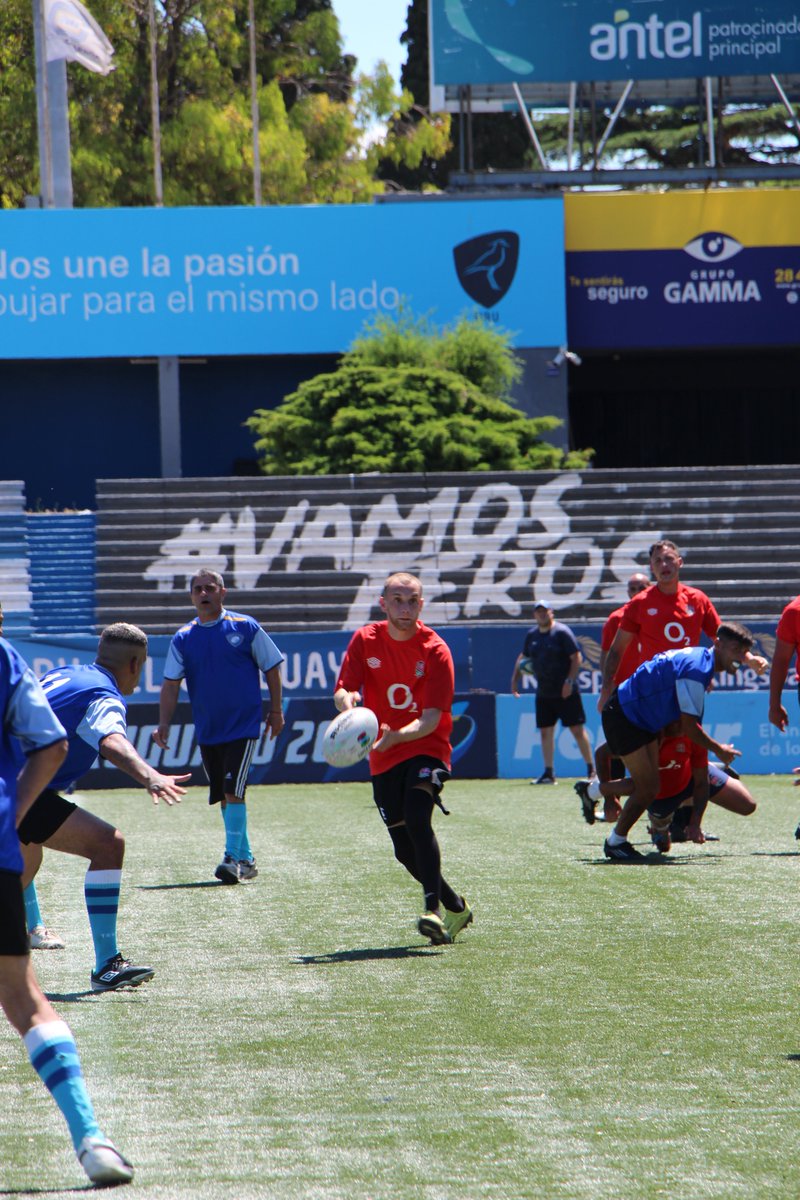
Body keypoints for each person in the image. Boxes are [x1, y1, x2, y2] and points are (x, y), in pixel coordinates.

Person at [0, 632, 134, 1186]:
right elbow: (52, 745)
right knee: (26, 999)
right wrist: (14, 813)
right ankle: (91, 1140)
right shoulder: (5, 657)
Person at [18, 623, 189, 993]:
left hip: (15, 784)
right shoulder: (104, 694)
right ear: (133, 663)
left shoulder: (64, 675)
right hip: (16, 788)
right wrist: (150, 776)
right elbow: (111, 740)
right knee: (108, 844)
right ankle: (108, 964)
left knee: (26, 865)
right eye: (142, 665)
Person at [333, 571, 472, 946]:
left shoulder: (436, 650)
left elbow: (430, 720)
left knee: (416, 814)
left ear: (421, 605)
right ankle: (455, 906)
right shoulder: (365, 639)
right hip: (381, 753)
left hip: (427, 745)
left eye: (412, 600)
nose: (405, 607)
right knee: (403, 849)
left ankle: (432, 910)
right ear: (384, 604)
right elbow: (344, 689)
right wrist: (348, 706)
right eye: (397, 599)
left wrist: (397, 735)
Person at [153, 567, 285, 884]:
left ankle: (232, 857)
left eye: (209, 588)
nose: (203, 593)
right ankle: (247, 858)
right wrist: (164, 723)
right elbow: (171, 684)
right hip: (209, 729)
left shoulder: (246, 627)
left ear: (222, 592)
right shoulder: (184, 638)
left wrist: (276, 710)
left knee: (232, 789)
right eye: (197, 589)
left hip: (242, 726)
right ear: (191, 596)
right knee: (225, 795)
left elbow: (272, 666)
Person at [599, 621, 761, 861]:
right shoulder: (697, 670)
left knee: (650, 784)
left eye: (743, 651)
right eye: (736, 650)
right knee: (649, 787)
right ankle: (615, 841)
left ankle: (599, 796)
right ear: (717, 644)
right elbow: (689, 727)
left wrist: (747, 658)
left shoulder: (701, 660)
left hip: (637, 715)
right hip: (626, 716)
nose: (740, 657)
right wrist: (720, 750)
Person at [578, 726, 757, 850]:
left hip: (689, 775)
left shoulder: (691, 732)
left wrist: (695, 824)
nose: (679, 723)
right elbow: (602, 754)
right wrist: (610, 799)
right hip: (660, 792)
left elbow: (702, 783)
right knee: (663, 845)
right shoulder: (643, 736)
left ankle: (704, 765)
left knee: (747, 805)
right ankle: (594, 791)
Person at [598, 539, 722, 713]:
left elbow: (721, 638)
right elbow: (614, 651)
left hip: (687, 682)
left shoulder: (697, 599)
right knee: (649, 738)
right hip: (650, 685)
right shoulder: (636, 606)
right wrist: (605, 690)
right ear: (651, 567)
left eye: (669, 559)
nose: (664, 564)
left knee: (686, 736)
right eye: (658, 561)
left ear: (680, 562)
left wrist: (705, 671)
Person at [511, 600, 594, 784]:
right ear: (534, 615)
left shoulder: (562, 633)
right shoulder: (532, 635)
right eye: (538, 612)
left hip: (565, 692)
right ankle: (549, 773)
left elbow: (576, 657)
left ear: (551, 612)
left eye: (544, 611)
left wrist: (569, 682)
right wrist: (514, 679)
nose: (541, 614)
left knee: (577, 730)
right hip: (544, 692)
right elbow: (523, 657)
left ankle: (591, 770)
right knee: (545, 732)